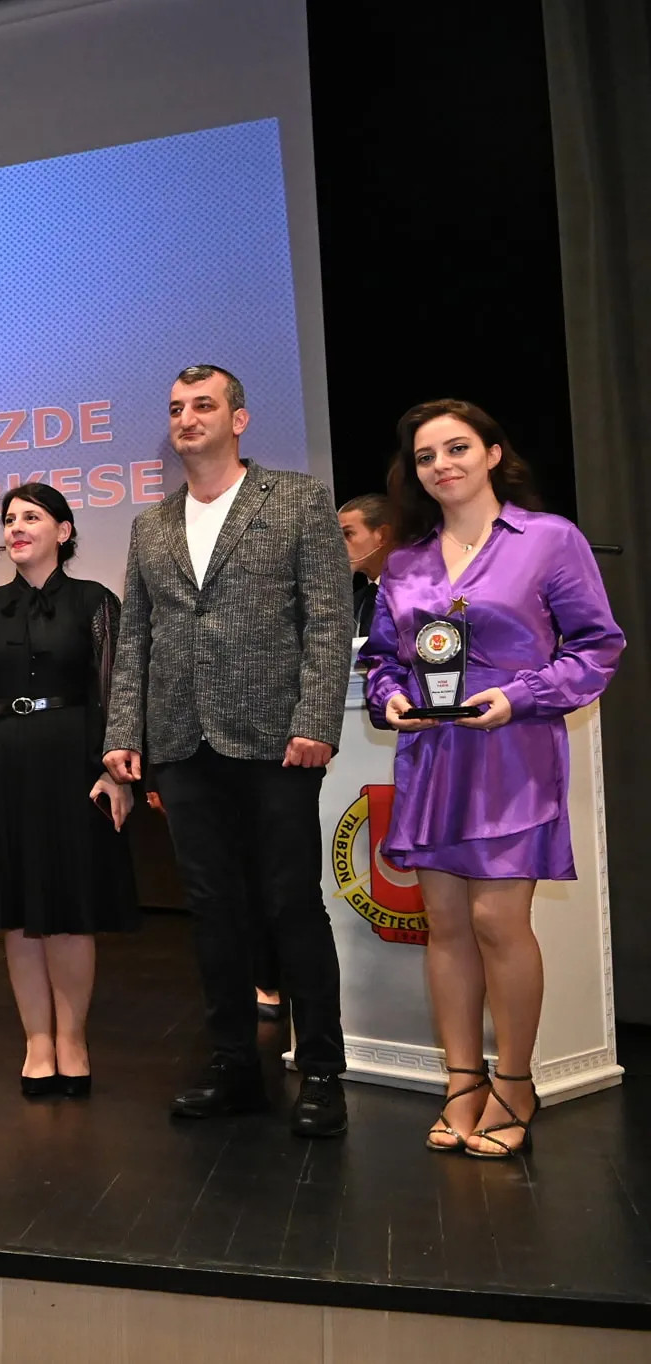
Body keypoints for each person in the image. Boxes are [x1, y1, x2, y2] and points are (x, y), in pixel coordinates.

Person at [363, 399, 623, 1159]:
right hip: (432, 758)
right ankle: (461, 1082)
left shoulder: (549, 539)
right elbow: (381, 659)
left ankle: (515, 1082)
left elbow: (596, 647)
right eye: (425, 456)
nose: (441, 465)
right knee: (446, 928)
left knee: (497, 924)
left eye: (456, 448)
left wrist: (521, 696)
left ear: (493, 453)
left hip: (513, 751)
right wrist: (390, 699)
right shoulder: (404, 561)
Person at [103, 364, 353, 1137]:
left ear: (238, 419)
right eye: (176, 408)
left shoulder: (298, 499)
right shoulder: (151, 525)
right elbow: (135, 637)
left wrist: (317, 718)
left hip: (278, 740)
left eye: (203, 405)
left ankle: (321, 1073)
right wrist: (124, 734)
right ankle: (234, 1066)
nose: (187, 418)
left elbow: (328, 617)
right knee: (213, 911)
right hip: (183, 742)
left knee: (290, 905)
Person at [0, 485, 138, 1095]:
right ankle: (37, 1041)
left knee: (69, 912)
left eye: (30, 517)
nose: (15, 527)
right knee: (17, 912)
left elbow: (115, 691)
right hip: (1, 762)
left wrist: (115, 772)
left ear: (63, 531)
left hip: (75, 764)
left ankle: (72, 1040)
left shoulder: (95, 601)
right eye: (9, 519)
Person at [340, 492, 396, 639]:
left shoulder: (423, 592)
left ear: (383, 535)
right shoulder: (352, 603)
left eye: (347, 534)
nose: (337, 545)